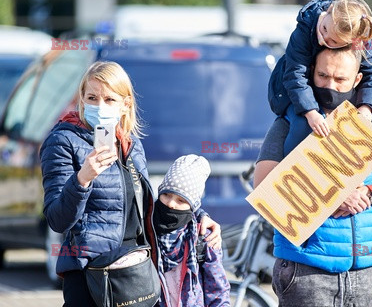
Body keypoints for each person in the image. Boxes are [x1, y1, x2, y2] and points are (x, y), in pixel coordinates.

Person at [40, 61, 221, 306]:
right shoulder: (63, 141)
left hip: (134, 272)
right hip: (91, 275)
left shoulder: (131, 145)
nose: (99, 106)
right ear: (81, 100)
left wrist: (198, 217)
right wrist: (82, 179)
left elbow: (144, 210)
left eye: (109, 100)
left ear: (125, 105)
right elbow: (57, 219)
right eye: (92, 97)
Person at [256, 46, 372, 306]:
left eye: (340, 79)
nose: (330, 85)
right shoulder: (289, 124)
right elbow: (265, 193)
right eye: (322, 76)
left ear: (357, 80)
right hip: (307, 272)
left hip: (364, 272)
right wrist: (332, 198)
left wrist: (370, 193)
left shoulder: (371, 127)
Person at [268, 0, 372, 161]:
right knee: (302, 124)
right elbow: (295, 74)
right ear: (329, 10)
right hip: (291, 90)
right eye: (324, 30)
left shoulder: (358, 39)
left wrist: (366, 107)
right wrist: (311, 112)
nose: (324, 39)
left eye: (334, 42)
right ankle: (289, 170)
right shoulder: (305, 28)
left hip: (335, 94)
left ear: (352, 41)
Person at [155, 154, 230, 306]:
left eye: (181, 200)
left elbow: (217, 291)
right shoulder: (146, 229)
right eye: (166, 195)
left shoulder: (203, 238)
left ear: (193, 206)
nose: (171, 204)